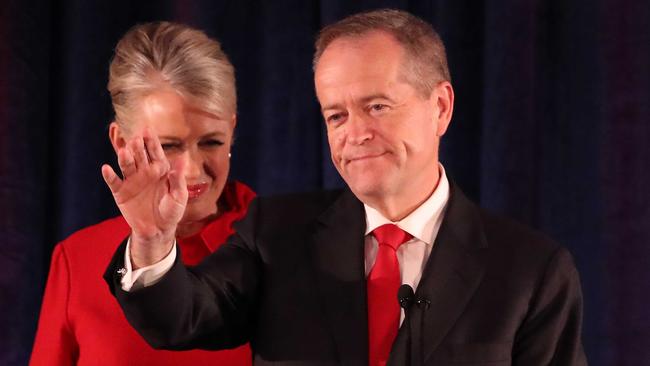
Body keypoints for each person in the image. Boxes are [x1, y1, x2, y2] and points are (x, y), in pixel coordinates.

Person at [104, 9, 587, 366]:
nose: (354, 133)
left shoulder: (532, 272)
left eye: (376, 106)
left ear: (440, 107)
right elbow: (181, 319)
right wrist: (151, 241)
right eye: (336, 115)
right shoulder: (275, 235)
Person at [30, 22, 254, 366]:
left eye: (211, 142)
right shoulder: (78, 259)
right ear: (121, 142)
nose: (191, 170)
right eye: (168, 146)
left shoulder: (281, 248)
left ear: (233, 129)